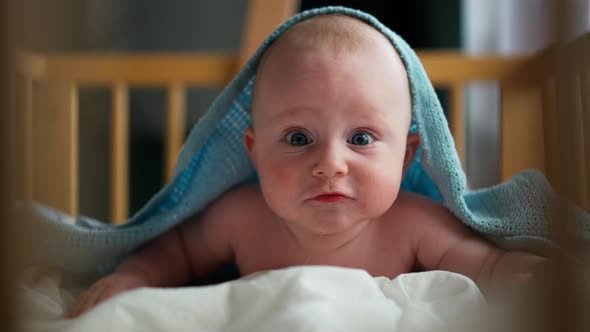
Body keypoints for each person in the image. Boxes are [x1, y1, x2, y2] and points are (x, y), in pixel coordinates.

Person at [70, 14, 546, 317]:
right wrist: (137, 277)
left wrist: (518, 272)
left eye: (361, 138)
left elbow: (485, 264)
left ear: (405, 157)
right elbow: (175, 249)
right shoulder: (242, 216)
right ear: (254, 151)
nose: (330, 164)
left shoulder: (411, 224)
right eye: (298, 138)